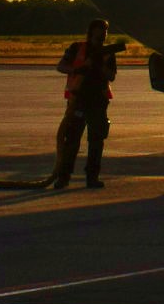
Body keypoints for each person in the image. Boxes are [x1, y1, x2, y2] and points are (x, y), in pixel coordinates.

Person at [49, 20, 118, 189]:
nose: (103, 34)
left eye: (105, 31)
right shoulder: (77, 48)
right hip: (78, 99)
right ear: (91, 32)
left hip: (98, 101)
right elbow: (61, 66)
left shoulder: (108, 53)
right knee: (71, 139)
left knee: (96, 140)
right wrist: (78, 68)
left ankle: (92, 177)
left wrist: (99, 65)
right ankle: (64, 177)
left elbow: (111, 76)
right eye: (100, 31)